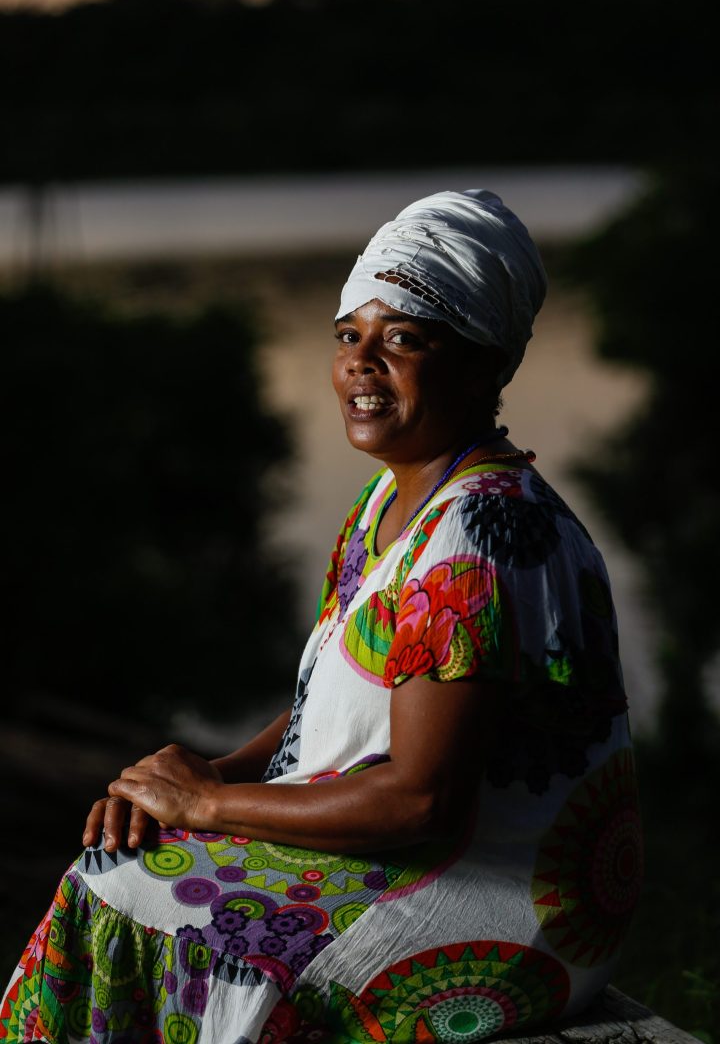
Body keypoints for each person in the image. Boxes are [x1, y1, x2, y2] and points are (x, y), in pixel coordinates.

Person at [1, 189, 642, 1044]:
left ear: (485, 365)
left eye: (403, 339)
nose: (361, 365)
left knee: (130, 899)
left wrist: (208, 805)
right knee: (115, 866)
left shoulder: (481, 533)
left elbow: (421, 802)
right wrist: (203, 777)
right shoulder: (391, 501)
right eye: (348, 336)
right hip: (421, 858)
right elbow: (328, 705)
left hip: (503, 903)